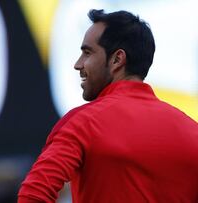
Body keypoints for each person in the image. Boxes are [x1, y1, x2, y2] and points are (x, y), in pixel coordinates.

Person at [18, 9, 198, 203]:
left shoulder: (83, 123)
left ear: (117, 59)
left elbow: (33, 195)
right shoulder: (192, 132)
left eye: (87, 53)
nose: (78, 64)